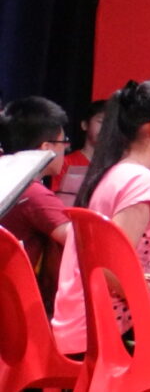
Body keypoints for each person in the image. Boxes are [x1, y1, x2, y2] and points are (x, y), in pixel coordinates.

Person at [49, 82, 150, 355]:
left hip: (83, 325)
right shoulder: (141, 181)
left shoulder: (115, 172)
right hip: (106, 332)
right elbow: (111, 269)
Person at [2, 96, 73, 307]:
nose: (66, 150)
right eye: (63, 143)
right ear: (46, 148)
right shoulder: (33, 194)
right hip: (13, 306)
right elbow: (80, 241)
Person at [57, 98, 105, 202]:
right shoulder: (65, 163)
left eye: (110, 124)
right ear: (85, 125)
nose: (106, 128)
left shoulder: (115, 165)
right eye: (101, 121)